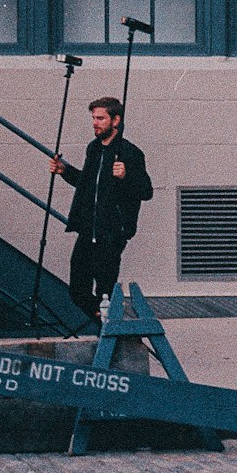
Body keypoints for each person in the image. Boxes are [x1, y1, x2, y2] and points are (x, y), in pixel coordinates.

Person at [49, 95, 153, 323]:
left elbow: (146, 191)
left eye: (100, 118)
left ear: (116, 121)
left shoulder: (130, 153)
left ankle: (109, 334)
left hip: (111, 233)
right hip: (88, 230)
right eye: (93, 118)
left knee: (105, 292)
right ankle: (105, 322)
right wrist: (64, 170)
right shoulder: (94, 149)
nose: (95, 123)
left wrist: (126, 176)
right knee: (78, 291)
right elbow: (88, 182)